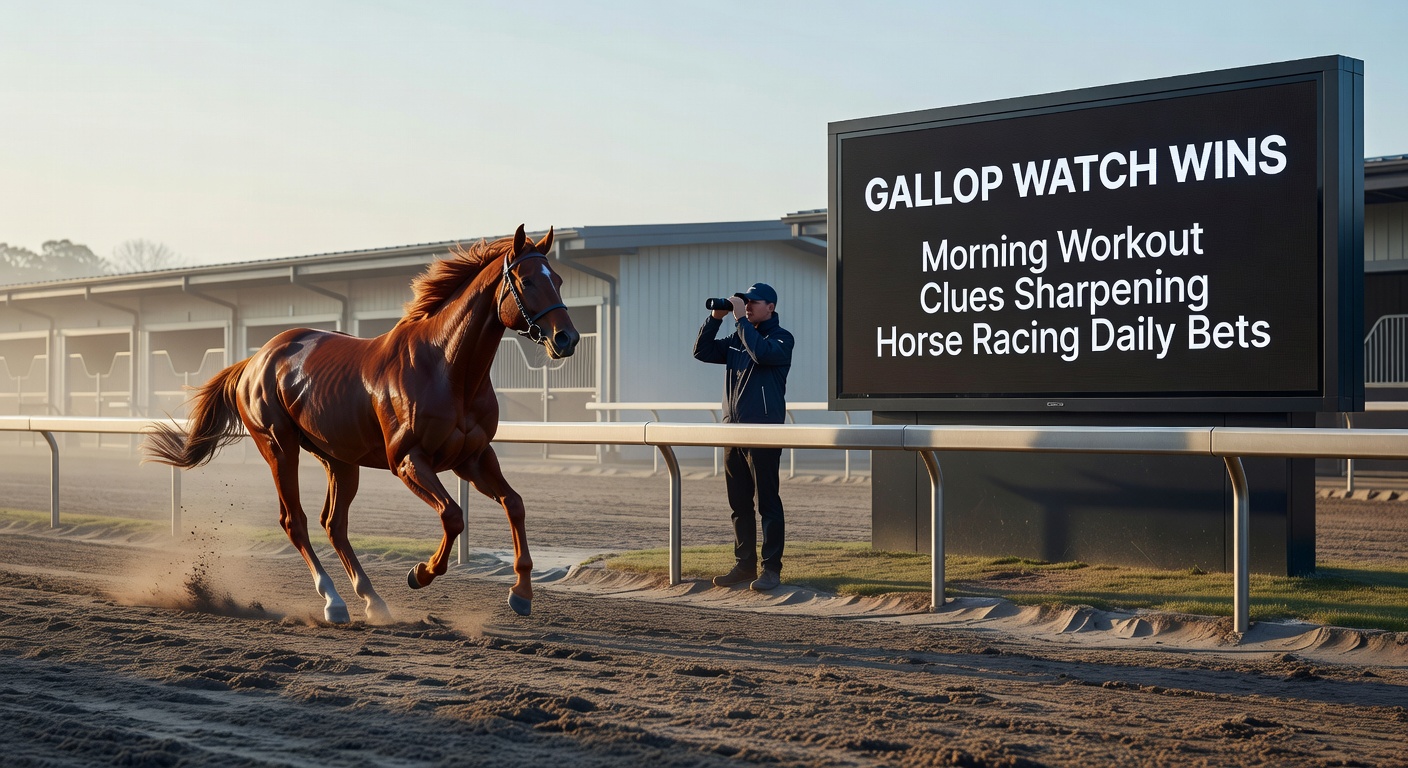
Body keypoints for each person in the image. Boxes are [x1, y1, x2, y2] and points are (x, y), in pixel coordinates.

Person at [692, 282, 793, 591]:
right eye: (744, 302)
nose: (747, 306)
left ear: (771, 307)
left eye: (753, 302)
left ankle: (771, 570)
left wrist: (739, 321)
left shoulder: (781, 338)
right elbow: (702, 351)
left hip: (762, 433)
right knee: (739, 504)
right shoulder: (738, 337)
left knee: (768, 504)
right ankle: (744, 565)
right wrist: (716, 318)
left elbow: (761, 354)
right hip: (732, 431)